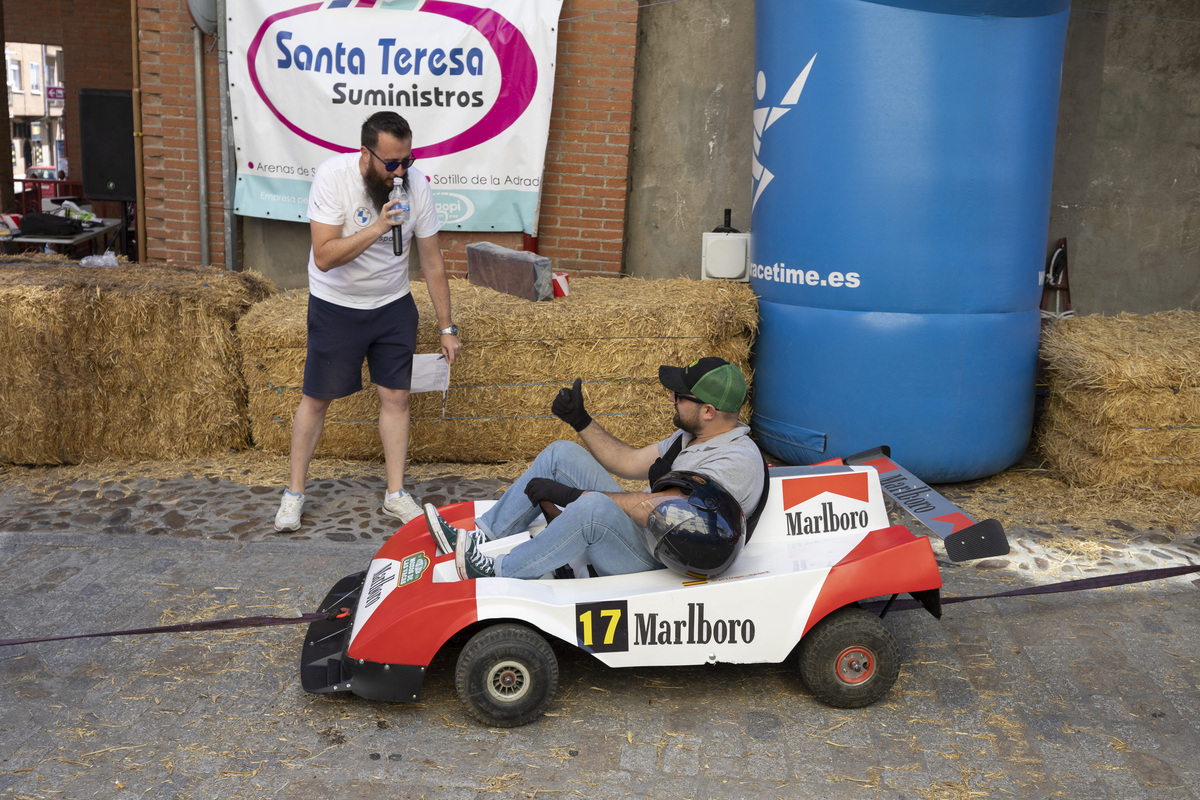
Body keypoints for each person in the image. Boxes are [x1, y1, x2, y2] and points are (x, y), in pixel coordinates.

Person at [274, 111, 461, 532]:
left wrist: (447, 328)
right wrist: (379, 227)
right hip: (336, 305)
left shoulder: (418, 186)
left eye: (407, 161)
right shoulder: (333, 177)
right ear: (366, 153)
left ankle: (395, 494)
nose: (400, 171)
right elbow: (323, 256)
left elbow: (431, 261)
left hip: (392, 305)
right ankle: (294, 493)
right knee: (317, 398)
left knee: (396, 398)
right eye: (391, 163)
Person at [424, 357, 764, 580]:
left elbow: (665, 513)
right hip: (645, 531)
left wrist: (573, 496)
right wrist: (581, 421)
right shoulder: (692, 435)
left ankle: (497, 571)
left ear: (707, 410)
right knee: (561, 454)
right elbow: (628, 462)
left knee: (592, 507)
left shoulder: (735, 462)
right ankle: (487, 535)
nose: (671, 399)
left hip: (662, 560)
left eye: (679, 396)